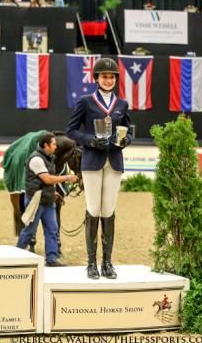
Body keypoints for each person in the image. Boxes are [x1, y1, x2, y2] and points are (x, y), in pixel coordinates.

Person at [66, 57, 132, 280]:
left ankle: (107, 262)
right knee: (94, 209)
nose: (108, 79)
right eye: (104, 76)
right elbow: (71, 130)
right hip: (92, 161)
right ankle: (91, 263)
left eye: (112, 76)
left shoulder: (121, 104)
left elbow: (128, 131)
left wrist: (126, 140)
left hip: (114, 161)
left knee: (109, 210)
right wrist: (91, 140)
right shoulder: (86, 101)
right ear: (96, 78)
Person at [16, 133, 77, 266]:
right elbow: (47, 179)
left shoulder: (49, 158)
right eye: (54, 144)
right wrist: (67, 177)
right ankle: (17, 255)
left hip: (48, 200)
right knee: (29, 230)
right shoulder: (36, 159)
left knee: (52, 230)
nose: (56, 146)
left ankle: (51, 258)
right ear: (46, 145)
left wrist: (53, 191)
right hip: (36, 201)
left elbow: (45, 181)